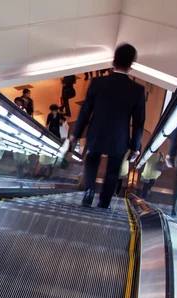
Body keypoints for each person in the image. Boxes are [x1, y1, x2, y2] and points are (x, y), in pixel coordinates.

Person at [69, 43, 145, 208]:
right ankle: (105, 201)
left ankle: (89, 190)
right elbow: (139, 122)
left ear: (113, 61)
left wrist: (76, 134)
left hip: (97, 131)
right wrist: (135, 146)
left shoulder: (97, 82)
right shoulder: (137, 90)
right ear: (131, 64)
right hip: (119, 136)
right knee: (113, 169)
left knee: (92, 159)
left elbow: (85, 111)